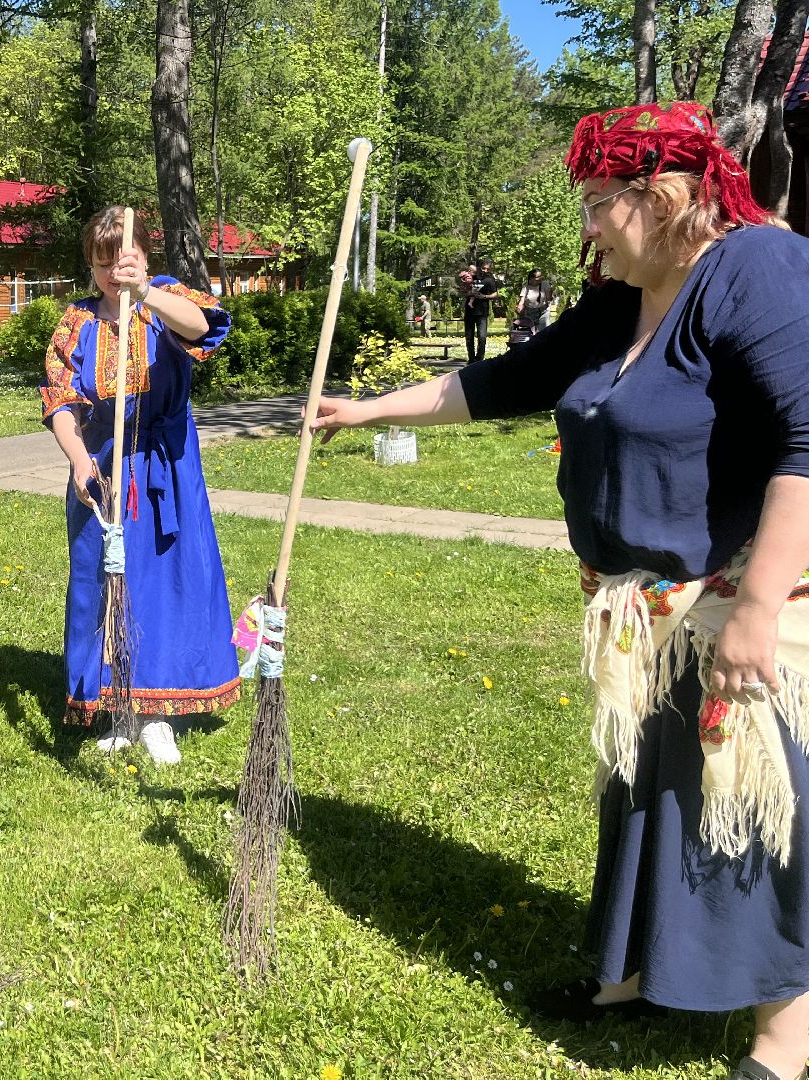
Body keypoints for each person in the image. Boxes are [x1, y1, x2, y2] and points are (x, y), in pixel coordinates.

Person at [311, 101, 809, 1080]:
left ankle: (786, 1038)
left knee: (748, 810)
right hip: (647, 616)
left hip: (741, 612)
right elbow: (505, 381)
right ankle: (633, 976)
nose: (585, 227)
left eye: (594, 204)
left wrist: (755, 613)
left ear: (658, 195)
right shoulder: (626, 298)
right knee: (648, 797)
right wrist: (361, 407)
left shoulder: (757, 270)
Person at [40, 206, 240, 765]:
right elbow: (59, 398)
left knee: (162, 581)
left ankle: (158, 715)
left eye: (121, 260)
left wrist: (145, 291)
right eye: (101, 263)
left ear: (144, 257)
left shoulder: (164, 301)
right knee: (103, 581)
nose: (111, 272)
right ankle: (118, 706)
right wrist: (80, 459)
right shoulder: (76, 322)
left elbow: (204, 327)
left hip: (164, 462)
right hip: (104, 461)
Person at [462, 256, 499, 363]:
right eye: (483, 268)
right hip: (469, 311)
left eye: (488, 269)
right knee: (469, 337)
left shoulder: (489, 280)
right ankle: (471, 359)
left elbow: (495, 294)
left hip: (482, 312)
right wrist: (468, 293)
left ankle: (479, 359)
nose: (485, 271)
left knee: (482, 337)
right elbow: (462, 290)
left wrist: (484, 297)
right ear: (479, 267)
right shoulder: (471, 277)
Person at [516, 268, 555, 334]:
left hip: (543, 311)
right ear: (531, 278)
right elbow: (522, 301)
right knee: (532, 332)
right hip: (530, 313)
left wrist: (550, 293)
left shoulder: (545, 284)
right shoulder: (526, 287)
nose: (540, 278)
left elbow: (549, 299)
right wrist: (519, 307)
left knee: (545, 332)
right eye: (538, 277)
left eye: (541, 276)